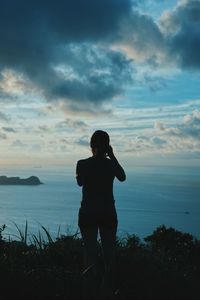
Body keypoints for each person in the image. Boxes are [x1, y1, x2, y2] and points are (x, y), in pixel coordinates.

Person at [76, 130, 126, 299]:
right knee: (109, 253)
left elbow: (79, 182)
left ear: (91, 145)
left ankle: (89, 292)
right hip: (107, 212)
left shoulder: (82, 164)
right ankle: (109, 291)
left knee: (89, 253)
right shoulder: (111, 164)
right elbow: (122, 177)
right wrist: (112, 156)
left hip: (88, 212)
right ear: (107, 146)